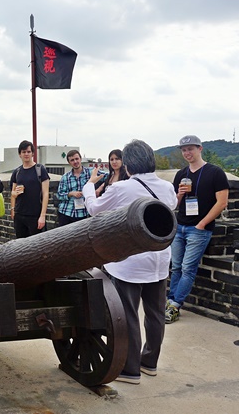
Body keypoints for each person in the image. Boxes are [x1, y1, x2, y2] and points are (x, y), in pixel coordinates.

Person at [84, 139, 177, 384]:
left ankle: (130, 368)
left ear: (128, 165)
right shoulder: (167, 187)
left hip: (129, 262)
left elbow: (94, 209)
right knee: (155, 314)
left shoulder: (122, 188)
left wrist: (88, 187)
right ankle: (150, 362)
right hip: (158, 260)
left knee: (128, 314)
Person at [166, 135, 230, 324]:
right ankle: (170, 302)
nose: (187, 153)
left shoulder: (215, 172)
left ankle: (175, 305)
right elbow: (174, 204)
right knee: (176, 267)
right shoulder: (181, 174)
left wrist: (202, 224)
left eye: (190, 149)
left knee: (187, 268)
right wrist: (178, 194)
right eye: (184, 150)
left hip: (199, 229)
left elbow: (222, 202)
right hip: (180, 226)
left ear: (200, 149)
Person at [9, 140, 50, 238]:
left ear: (32, 153)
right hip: (19, 214)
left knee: (37, 247)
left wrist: (42, 216)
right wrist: (13, 209)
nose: (26, 154)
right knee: (21, 247)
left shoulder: (40, 169)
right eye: (23, 152)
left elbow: (45, 194)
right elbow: (13, 193)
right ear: (20, 154)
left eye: (28, 151)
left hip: (35, 215)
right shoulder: (17, 172)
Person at [57, 149, 92, 226]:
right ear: (69, 162)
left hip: (83, 213)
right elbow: (59, 195)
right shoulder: (65, 177)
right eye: (72, 160)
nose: (75, 162)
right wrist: (70, 194)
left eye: (77, 159)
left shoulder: (90, 172)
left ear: (80, 159)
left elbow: (108, 177)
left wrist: (99, 189)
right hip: (66, 212)